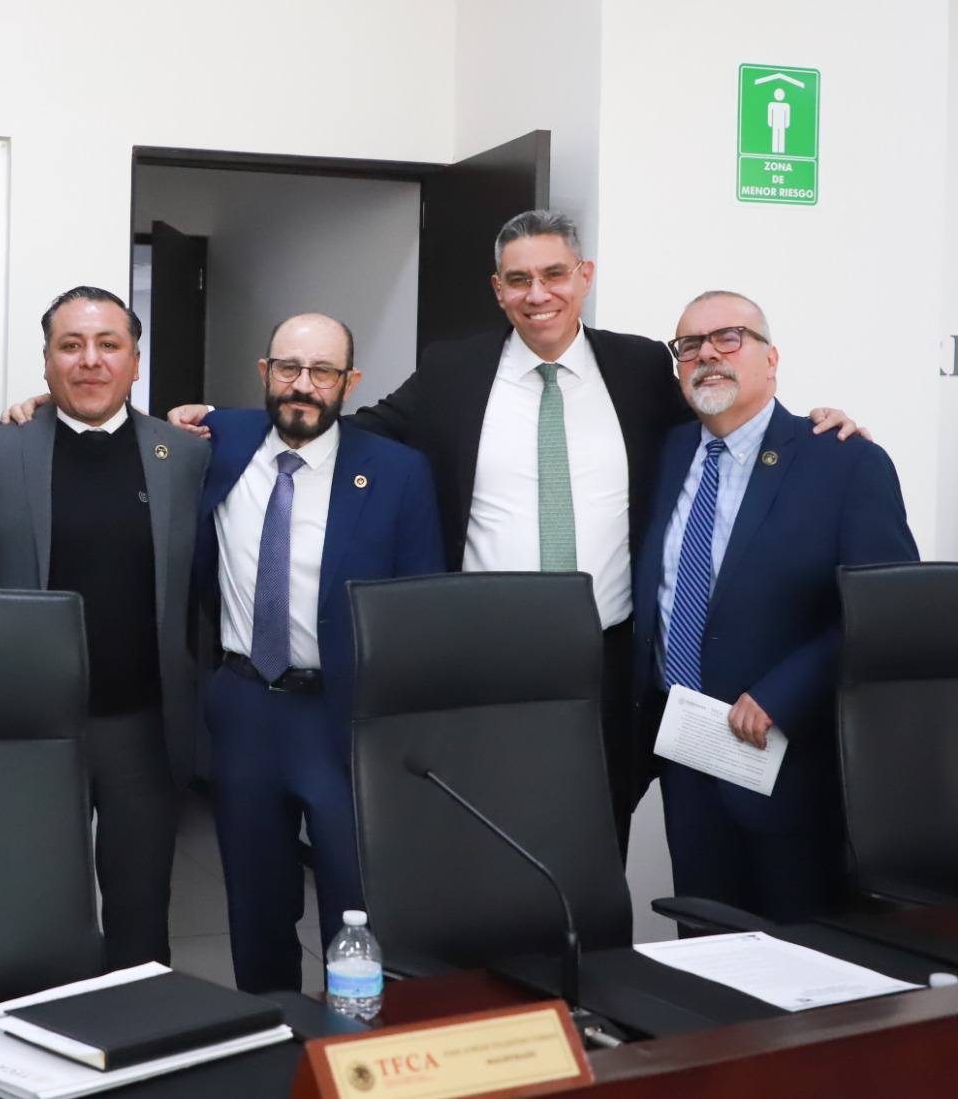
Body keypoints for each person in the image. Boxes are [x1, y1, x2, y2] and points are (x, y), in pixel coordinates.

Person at [155, 208, 861, 856]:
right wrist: (224, 423)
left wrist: (810, 426)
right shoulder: (454, 371)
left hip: (606, 657)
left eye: (554, 274)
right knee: (483, 845)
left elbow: (726, 412)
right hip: (482, 656)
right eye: (518, 280)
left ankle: (587, 961)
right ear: (498, 291)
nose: (537, 294)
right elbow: (352, 432)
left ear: (584, 277)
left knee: (595, 841)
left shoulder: (643, 367)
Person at [631, 291, 916, 922]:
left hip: (789, 762)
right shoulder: (665, 453)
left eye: (729, 337)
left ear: (771, 358)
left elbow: (885, 614)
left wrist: (782, 694)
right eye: (689, 346)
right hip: (687, 756)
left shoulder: (843, 460)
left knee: (801, 955)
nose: (708, 354)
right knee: (704, 948)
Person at [197, 313, 443, 992]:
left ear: (349, 382)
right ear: (264, 372)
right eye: (288, 368)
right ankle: (271, 1028)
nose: (302, 385)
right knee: (255, 902)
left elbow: (418, 610)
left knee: (356, 901)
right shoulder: (221, 441)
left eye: (323, 371)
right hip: (245, 708)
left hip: (342, 717)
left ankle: (354, 1037)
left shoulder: (396, 472)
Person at [0, 286, 208, 969]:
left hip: (140, 729)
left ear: (136, 361)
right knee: (30, 915)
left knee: (140, 914)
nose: (90, 360)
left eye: (109, 344)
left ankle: (140, 1029)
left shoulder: (184, 454)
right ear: (46, 361)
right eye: (70, 345)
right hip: (32, 730)